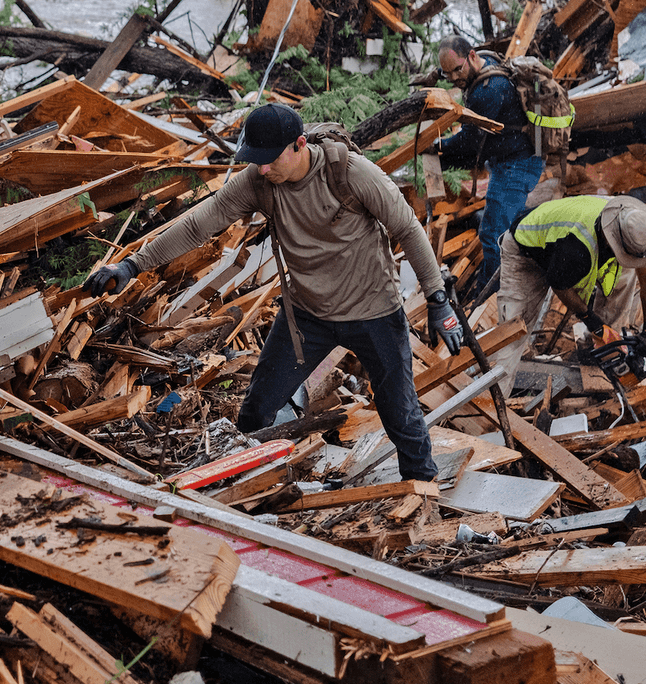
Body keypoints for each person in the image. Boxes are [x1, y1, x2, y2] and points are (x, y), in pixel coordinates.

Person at [85, 103, 454, 482]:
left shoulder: (349, 173)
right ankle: (252, 489)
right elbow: (199, 225)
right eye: (256, 160)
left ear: (300, 145)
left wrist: (438, 299)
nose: (262, 169)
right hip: (307, 316)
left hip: (374, 312)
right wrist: (131, 266)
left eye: (271, 159)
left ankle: (422, 489)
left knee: (400, 412)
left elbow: (408, 229)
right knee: (257, 411)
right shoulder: (259, 181)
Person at [490, 194, 646, 395]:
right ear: (613, 242)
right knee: (514, 331)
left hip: (571, 249)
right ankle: (493, 400)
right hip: (527, 251)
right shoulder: (576, 249)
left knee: (624, 277)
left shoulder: (640, 231)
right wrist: (591, 320)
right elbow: (559, 284)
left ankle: (604, 354)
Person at [435, 36, 545, 297]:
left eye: (457, 70)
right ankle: (524, 273)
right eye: (447, 73)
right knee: (506, 226)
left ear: (472, 55)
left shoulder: (489, 91)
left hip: (517, 166)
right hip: (514, 158)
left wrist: (437, 146)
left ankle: (488, 298)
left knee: (493, 235)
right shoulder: (486, 62)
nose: (453, 78)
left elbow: (468, 144)